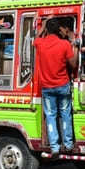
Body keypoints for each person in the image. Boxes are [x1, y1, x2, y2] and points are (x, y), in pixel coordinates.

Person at [33, 18, 77, 158]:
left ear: (47, 30)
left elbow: (36, 38)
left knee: (50, 116)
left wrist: (43, 27)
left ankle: (54, 147)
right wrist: (74, 46)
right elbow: (73, 64)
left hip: (47, 87)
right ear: (59, 30)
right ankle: (68, 144)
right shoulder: (64, 44)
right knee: (65, 114)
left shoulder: (40, 43)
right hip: (63, 86)